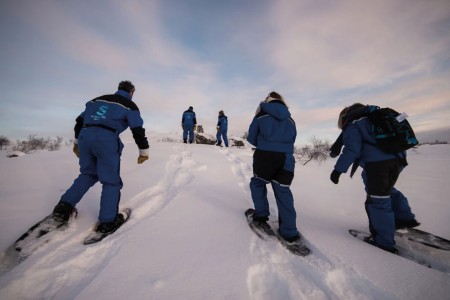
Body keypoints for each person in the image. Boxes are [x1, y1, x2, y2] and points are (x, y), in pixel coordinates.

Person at [51, 80, 149, 234]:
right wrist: (143, 150)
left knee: (88, 174)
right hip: (106, 140)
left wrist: (77, 142)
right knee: (111, 181)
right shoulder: (130, 105)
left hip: (85, 137)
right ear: (131, 92)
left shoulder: (97, 100)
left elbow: (79, 121)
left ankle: (63, 208)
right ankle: (107, 221)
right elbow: (137, 129)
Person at [330, 103, 420, 254]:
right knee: (386, 190)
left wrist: (337, 171)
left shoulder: (354, 124)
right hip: (398, 161)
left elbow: (352, 150)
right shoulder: (373, 117)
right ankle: (403, 218)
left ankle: (384, 243)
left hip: (378, 166)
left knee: (378, 201)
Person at [246, 91, 302, 244]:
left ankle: (261, 216)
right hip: (286, 158)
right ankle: (289, 231)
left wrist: (265, 144)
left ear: (267, 100)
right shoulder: (290, 119)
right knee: (283, 190)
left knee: (258, 183)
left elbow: (251, 137)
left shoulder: (261, 114)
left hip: (265, 156)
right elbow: (293, 138)